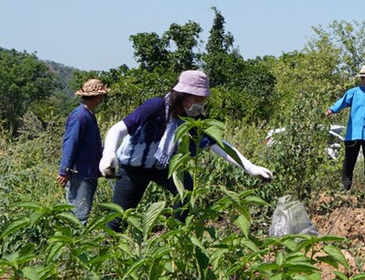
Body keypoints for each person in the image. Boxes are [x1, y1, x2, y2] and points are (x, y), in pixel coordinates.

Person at [100, 70, 271, 214]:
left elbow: (217, 143)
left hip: (163, 165)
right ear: (185, 97)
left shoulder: (193, 118)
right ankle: (110, 246)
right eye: (198, 100)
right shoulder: (155, 107)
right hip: (134, 166)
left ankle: (179, 236)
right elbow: (118, 129)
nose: (201, 105)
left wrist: (250, 167)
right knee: (120, 216)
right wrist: (109, 154)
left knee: (187, 191)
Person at [58, 78, 110, 223]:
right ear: (98, 97)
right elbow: (70, 144)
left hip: (88, 171)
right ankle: (76, 242)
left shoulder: (88, 115)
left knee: (83, 210)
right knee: (79, 214)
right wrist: (64, 171)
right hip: (80, 172)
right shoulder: (80, 116)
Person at [327, 65, 365, 194]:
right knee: (349, 162)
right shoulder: (353, 92)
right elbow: (342, 102)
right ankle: (345, 188)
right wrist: (331, 110)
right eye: (363, 78)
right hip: (353, 133)